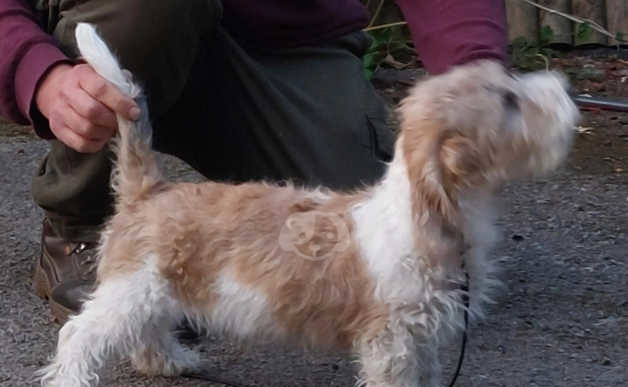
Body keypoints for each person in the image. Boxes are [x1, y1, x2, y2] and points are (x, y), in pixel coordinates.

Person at [0, 0, 507, 324]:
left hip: (287, 46)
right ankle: (81, 222)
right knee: (144, 16)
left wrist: (474, 79)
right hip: (130, 24)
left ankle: (209, 244)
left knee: (367, 232)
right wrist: (35, 72)